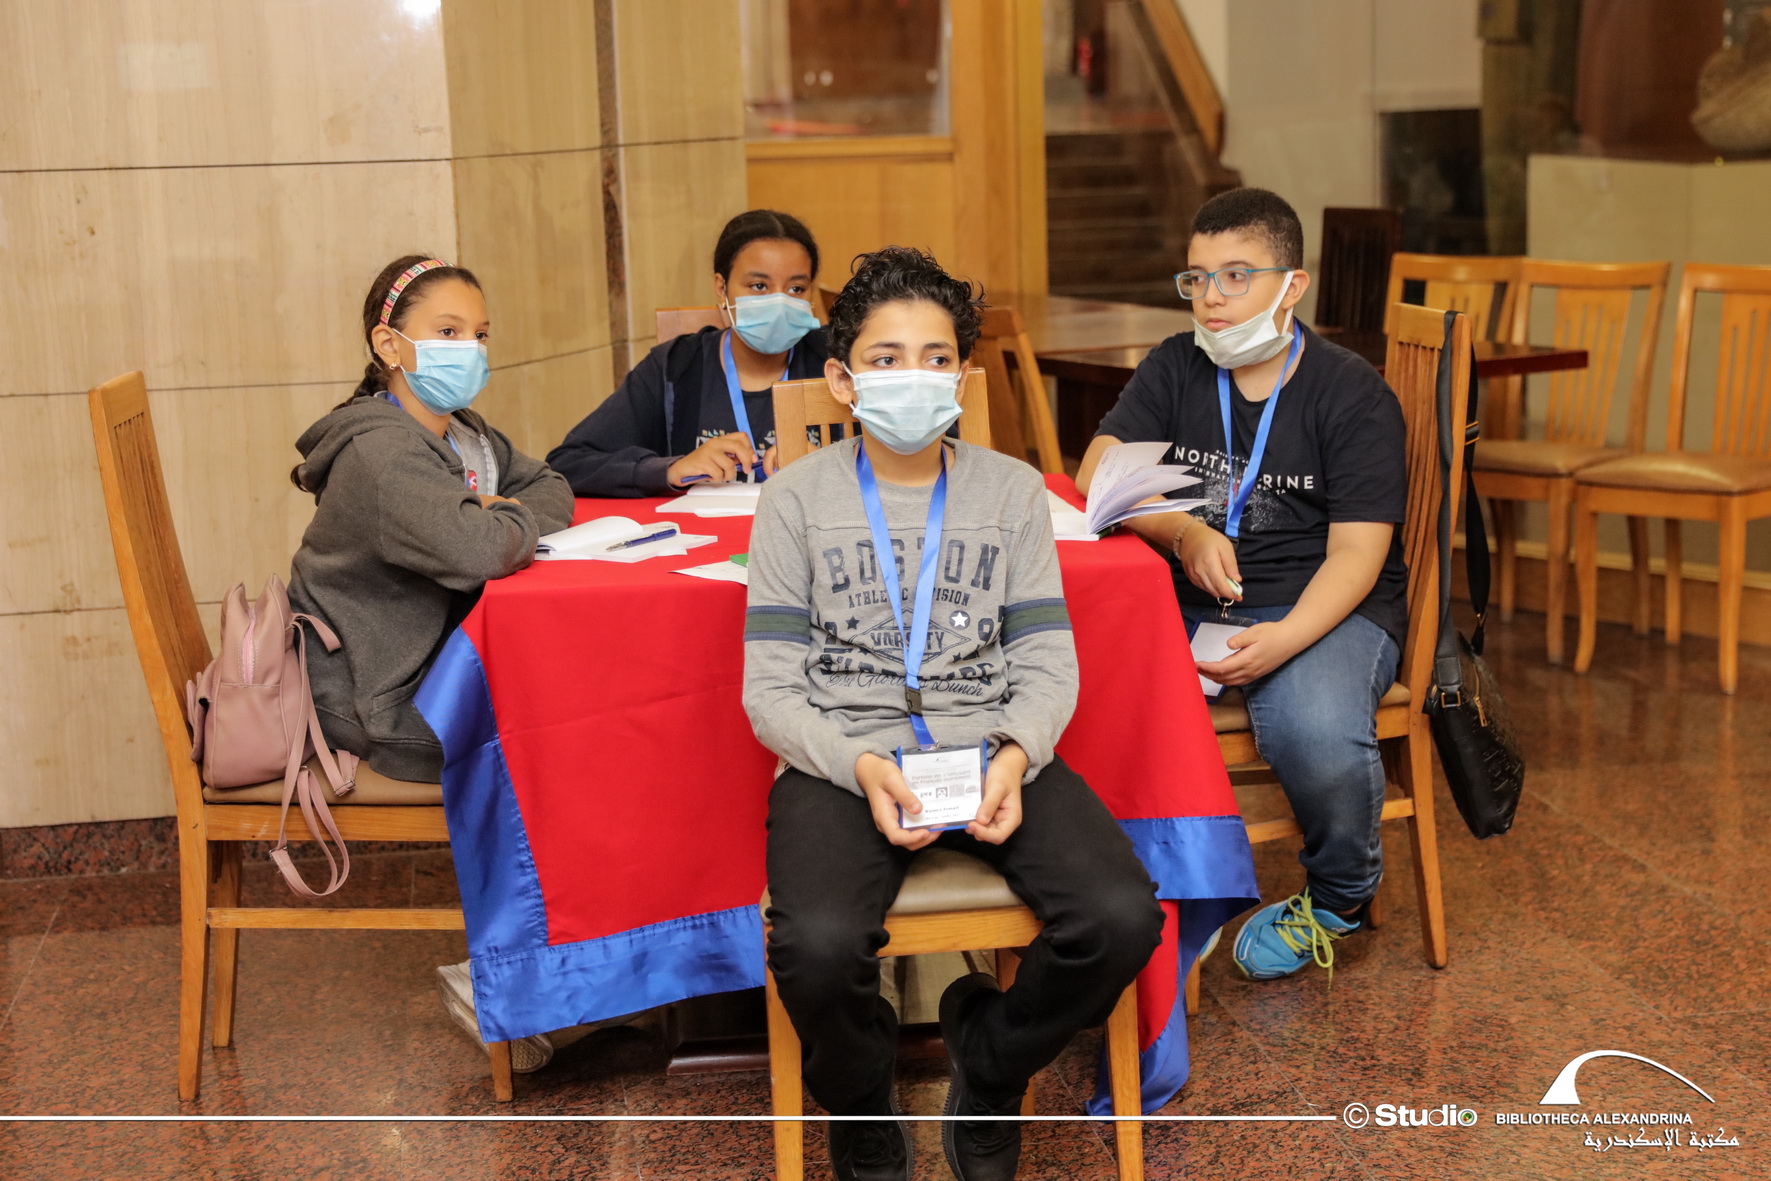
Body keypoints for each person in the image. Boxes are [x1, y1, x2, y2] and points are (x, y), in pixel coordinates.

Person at [744, 246, 1162, 1181]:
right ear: (843, 380)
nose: (913, 376)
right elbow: (768, 689)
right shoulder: (794, 499)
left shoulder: (1010, 491)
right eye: (885, 358)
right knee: (815, 948)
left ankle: (992, 1061)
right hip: (843, 757)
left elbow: (1046, 661)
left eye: (935, 358)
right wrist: (858, 764)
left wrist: (1013, 757)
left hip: (987, 746)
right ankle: (861, 1098)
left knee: (1120, 917)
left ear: (964, 378)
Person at [1076, 187, 1409, 983]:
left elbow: (1356, 556)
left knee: (1312, 729)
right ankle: (1114, 888)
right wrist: (1182, 532)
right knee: (1079, 693)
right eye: (1196, 278)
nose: (1211, 298)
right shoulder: (1175, 364)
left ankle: (1339, 896)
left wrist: (1285, 638)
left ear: (1292, 285)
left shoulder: (1349, 390)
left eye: (1235, 276)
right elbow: (1097, 472)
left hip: (1322, 603)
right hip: (1191, 599)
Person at [287, 257, 575, 1071]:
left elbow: (551, 483)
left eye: (479, 334)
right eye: (447, 332)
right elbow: (481, 551)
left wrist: (498, 514)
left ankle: (562, 973)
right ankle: (514, 980)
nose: (469, 350)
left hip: (442, 666)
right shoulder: (384, 455)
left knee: (585, 718)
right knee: (562, 747)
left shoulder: (462, 433)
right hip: (381, 697)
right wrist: (496, 525)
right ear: (390, 345)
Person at [548, 209, 829, 495]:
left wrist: (832, 466)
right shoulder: (674, 366)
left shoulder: (837, 363)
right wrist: (669, 469)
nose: (779, 303)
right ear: (721, 288)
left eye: (796, 288)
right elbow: (569, 463)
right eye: (759, 286)